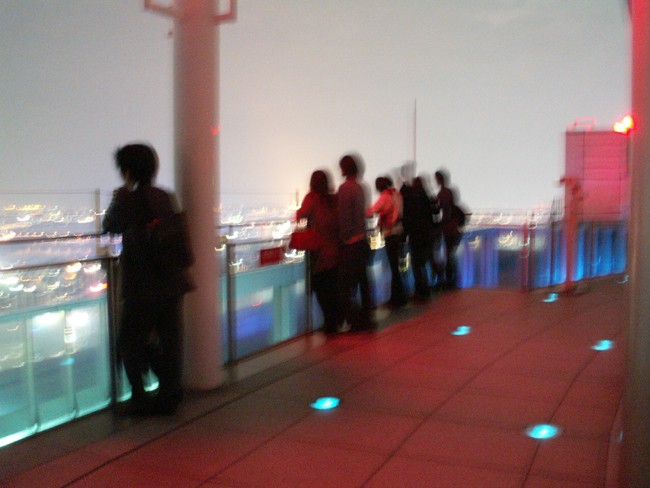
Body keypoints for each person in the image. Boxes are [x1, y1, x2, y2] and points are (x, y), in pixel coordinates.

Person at [103, 143, 191, 415]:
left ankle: (140, 399)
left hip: (142, 285)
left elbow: (109, 226)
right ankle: (170, 394)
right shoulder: (165, 196)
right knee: (169, 340)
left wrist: (121, 194)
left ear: (127, 171)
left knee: (129, 342)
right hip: (172, 281)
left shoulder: (126, 199)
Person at [296, 170, 343, 334]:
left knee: (320, 288)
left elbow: (300, 215)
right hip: (335, 249)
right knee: (332, 287)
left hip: (319, 251)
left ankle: (330, 324)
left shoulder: (311, 198)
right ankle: (335, 321)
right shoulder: (333, 198)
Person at [337, 154, 375, 331]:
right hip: (362, 240)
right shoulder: (362, 188)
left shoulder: (345, 189)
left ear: (344, 169)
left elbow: (344, 218)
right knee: (363, 281)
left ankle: (353, 320)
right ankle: (366, 317)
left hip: (351, 244)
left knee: (345, 286)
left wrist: (343, 239)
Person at [366, 176, 407, 308]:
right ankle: (400, 297)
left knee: (394, 268)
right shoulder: (397, 194)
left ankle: (397, 299)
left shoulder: (385, 197)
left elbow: (372, 211)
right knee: (398, 268)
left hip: (391, 234)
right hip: (400, 233)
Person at [403, 176, 444, 300]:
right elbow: (436, 215)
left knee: (417, 264)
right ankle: (429, 287)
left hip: (415, 237)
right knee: (425, 262)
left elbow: (407, 219)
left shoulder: (411, 201)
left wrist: (406, 234)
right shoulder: (429, 198)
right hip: (427, 236)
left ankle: (420, 290)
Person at [435, 169, 462, 289]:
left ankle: (449, 280)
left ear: (439, 180)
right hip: (454, 227)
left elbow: (440, 210)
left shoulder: (442, 194)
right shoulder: (450, 192)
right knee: (451, 255)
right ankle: (453, 280)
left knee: (449, 255)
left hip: (448, 228)